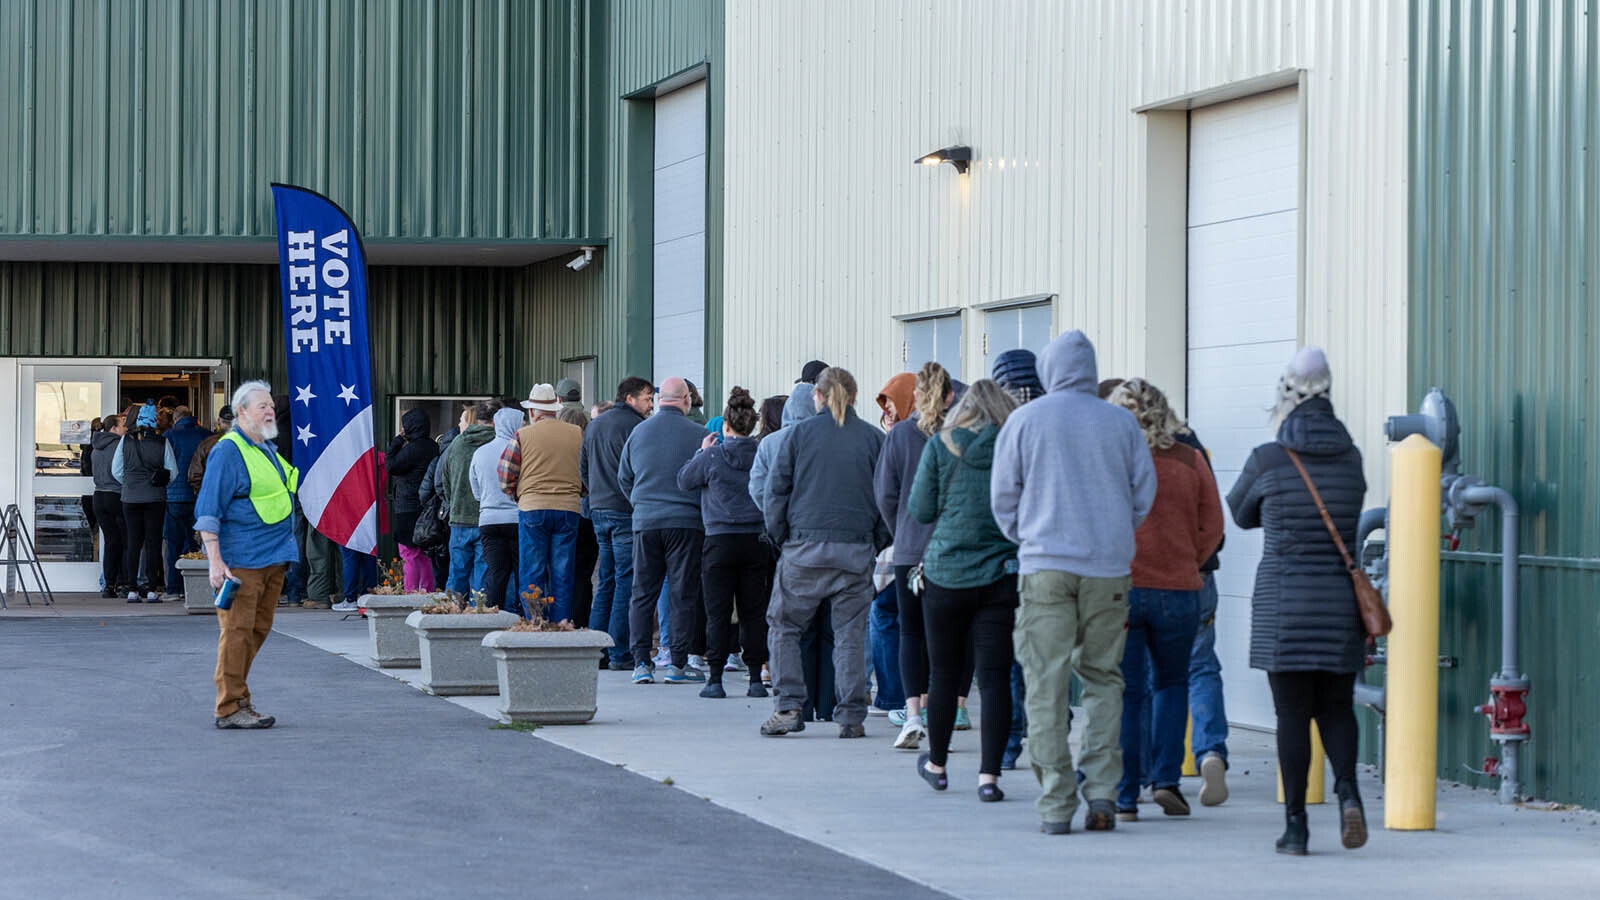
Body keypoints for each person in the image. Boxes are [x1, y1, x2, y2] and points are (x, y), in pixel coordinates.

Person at [990, 330, 1156, 834]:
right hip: (1108, 569)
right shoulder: (1120, 422)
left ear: (1049, 369)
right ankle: (1102, 791)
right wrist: (1111, 532)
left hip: (1045, 567)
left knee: (1046, 683)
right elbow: (1143, 493)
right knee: (1105, 679)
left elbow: (1003, 498)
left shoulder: (1024, 420)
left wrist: (1031, 536)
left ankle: (1056, 802)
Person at [1226, 346, 1369, 855]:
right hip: (1339, 607)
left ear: (1286, 394)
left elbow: (1240, 514)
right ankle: (1349, 792)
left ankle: (1296, 827)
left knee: (1291, 714)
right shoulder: (1352, 457)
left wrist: (1279, 510)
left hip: (1285, 608)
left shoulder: (1269, 458)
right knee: (1336, 708)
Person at [1105, 378, 1224, 821]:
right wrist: (1186, 560)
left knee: (1129, 692)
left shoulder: (1111, 461)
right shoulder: (1190, 459)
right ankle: (1168, 781)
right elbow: (1213, 525)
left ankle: (1124, 794)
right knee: (1174, 684)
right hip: (1179, 590)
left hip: (1124, 589)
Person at [760, 367, 888, 739]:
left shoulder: (798, 435)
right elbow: (887, 498)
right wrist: (875, 541)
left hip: (803, 548)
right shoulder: (873, 439)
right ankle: (850, 715)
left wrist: (782, 538)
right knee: (850, 633)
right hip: (856, 550)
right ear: (855, 396)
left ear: (817, 395)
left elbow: (775, 492)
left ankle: (787, 707)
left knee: (784, 625)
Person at [909, 380, 1021, 800]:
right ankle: (988, 779)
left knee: (943, 674)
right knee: (994, 679)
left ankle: (937, 766)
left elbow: (920, 510)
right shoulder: (1014, 447)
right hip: (1000, 575)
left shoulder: (942, 445)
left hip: (946, 575)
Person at [194, 380, 298, 729]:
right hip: (242, 562)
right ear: (241, 412)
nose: (270, 411)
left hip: (271, 559)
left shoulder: (264, 447)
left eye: (271, 405)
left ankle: (237, 695)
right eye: (261, 406)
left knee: (256, 631)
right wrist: (215, 560)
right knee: (238, 632)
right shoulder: (228, 451)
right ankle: (229, 706)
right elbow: (209, 508)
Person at [874, 362, 958, 749]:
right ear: (950, 396)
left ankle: (912, 714)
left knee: (910, 631)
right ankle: (943, 712)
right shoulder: (960, 434)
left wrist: (902, 530)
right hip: (952, 550)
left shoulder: (900, 436)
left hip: (909, 549)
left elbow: (885, 493)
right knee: (945, 638)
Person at [750, 381, 836, 719]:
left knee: (794, 625)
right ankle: (828, 704)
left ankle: (799, 702)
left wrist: (778, 528)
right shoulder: (831, 440)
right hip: (831, 540)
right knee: (830, 627)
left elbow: (758, 489)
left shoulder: (771, 443)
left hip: (790, 544)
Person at [676, 386, 767, 699]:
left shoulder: (713, 454)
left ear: (725, 425)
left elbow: (685, 480)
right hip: (756, 539)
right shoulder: (761, 453)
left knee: (717, 611)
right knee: (753, 612)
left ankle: (714, 679)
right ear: (753, 424)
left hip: (718, 539)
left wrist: (701, 451)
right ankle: (755, 678)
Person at [617, 376, 707, 684]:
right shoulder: (700, 434)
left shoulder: (638, 433)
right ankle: (677, 664)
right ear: (686, 400)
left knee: (643, 593)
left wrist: (641, 504)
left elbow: (624, 477)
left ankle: (641, 662)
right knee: (683, 593)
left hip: (646, 522)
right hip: (686, 523)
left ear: (658, 401)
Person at [991, 350, 1046, 770]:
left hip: (1014, 558)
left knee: (1012, 654)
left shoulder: (1004, 429)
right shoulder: (1059, 421)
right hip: (1058, 554)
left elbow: (1001, 499)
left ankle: (1010, 744)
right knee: (1051, 653)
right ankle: (1053, 723)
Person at [582, 378, 652, 669]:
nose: (651, 404)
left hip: (599, 509)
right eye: (647, 398)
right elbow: (641, 469)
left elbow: (583, 468)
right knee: (625, 579)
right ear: (630, 397)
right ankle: (620, 651)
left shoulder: (595, 424)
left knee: (606, 580)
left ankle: (596, 651)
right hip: (624, 509)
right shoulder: (637, 427)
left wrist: (596, 493)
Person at [500, 384, 584, 623]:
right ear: (555, 409)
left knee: (532, 570)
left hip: (533, 507)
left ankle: (536, 622)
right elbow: (585, 471)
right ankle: (561, 623)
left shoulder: (523, 435)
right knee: (562, 572)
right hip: (569, 508)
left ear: (532, 411)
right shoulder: (577, 433)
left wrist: (517, 494)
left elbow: (506, 475)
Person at [867, 375, 914, 718]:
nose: (888, 411)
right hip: (904, 544)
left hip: (901, 546)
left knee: (885, 615)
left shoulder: (902, 439)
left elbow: (885, 495)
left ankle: (894, 696)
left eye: (892, 404)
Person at [113, 401, 178, 602]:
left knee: (133, 542)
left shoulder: (125, 442)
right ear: (153, 421)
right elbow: (173, 472)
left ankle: (131, 588)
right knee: (153, 543)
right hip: (155, 499)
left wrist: (130, 484)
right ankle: (151, 588)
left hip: (130, 499)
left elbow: (116, 471)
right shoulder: (162, 442)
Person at [440, 401, 500, 597]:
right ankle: (478, 616)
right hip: (487, 518)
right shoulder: (498, 443)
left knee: (457, 573)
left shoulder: (457, 443)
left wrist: (454, 502)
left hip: (458, 518)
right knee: (481, 576)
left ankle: (450, 613)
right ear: (496, 419)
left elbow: (444, 479)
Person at [474, 406, 527, 613]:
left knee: (496, 574)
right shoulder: (520, 450)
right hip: (516, 518)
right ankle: (525, 616)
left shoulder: (480, 452)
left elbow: (475, 489)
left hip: (489, 519)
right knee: (522, 571)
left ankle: (492, 617)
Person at [387, 408, 440, 593]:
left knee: (408, 553)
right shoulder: (434, 447)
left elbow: (391, 466)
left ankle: (410, 593)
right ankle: (427, 591)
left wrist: (397, 441)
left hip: (407, 507)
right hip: (427, 508)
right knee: (424, 554)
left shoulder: (412, 449)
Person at [161, 406, 210, 599]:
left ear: (175, 419)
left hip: (174, 496)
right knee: (196, 543)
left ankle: (174, 588)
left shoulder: (169, 436)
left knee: (173, 543)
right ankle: (196, 589)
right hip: (199, 497)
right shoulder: (206, 435)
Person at [557, 404, 599, 629]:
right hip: (588, 514)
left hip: (564, 511)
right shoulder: (589, 447)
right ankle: (581, 621)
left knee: (561, 572)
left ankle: (561, 620)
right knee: (584, 576)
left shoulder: (556, 448)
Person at [88, 414, 129, 598]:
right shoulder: (118, 446)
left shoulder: (96, 447)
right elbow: (121, 471)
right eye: (122, 425)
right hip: (115, 494)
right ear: (113, 428)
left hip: (99, 495)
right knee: (125, 540)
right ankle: (122, 582)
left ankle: (109, 584)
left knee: (111, 541)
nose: (126, 428)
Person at [187, 405, 235, 494]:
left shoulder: (207, 444)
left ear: (219, 421)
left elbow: (194, 475)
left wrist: (206, 494)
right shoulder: (249, 444)